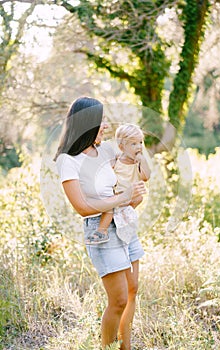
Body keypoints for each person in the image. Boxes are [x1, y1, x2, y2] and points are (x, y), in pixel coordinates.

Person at [54, 96, 146, 350]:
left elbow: (130, 163)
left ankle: (125, 347)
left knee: (132, 291)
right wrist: (121, 198)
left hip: (124, 222)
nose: (105, 125)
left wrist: (130, 198)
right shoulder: (68, 161)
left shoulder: (105, 150)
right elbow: (82, 207)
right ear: (87, 124)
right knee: (117, 300)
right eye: (101, 120)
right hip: (100, 229)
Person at [85, 123, 151, 245]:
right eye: (133, 144)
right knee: (110, 207)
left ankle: (123, 212)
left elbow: (146, 177)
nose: (139, 147)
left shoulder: (139, 163)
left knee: (140, 198)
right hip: (118, 194)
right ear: (122, 147)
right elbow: (107, 173)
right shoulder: (117, 160)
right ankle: (102, 231)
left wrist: (142, 161)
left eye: (141, 142)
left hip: (132, 196)